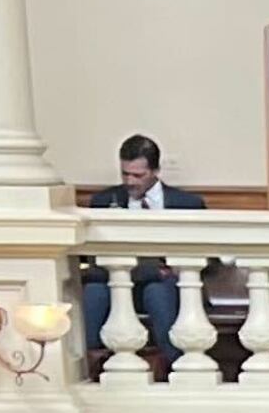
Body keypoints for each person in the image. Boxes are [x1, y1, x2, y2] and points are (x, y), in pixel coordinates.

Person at [79, 128, 202, 376]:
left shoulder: (186, 204)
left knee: (158, 291)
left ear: (155, 171)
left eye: (138, 175)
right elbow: (92, 257)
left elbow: (210, 258)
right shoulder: (103, 201)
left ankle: (176, 369)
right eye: (125, 173)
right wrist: (151, 270)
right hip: (115, 281)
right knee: (94, 292)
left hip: (166, 286)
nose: (130, 181)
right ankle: (89, 368)